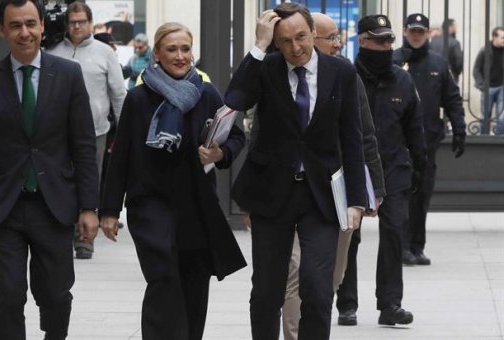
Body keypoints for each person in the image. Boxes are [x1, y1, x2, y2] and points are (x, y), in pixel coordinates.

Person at [0, 0, 99, 339]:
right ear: (1, 30)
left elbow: (84, 146)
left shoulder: (68, 75)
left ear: (43, 26)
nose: (25, 33)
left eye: (31, 24)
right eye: (15, 25)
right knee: (6, 295)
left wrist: (89, 207)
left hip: (54, 206)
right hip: (4, 208)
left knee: (56, 294)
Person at [225, 4, 366, 339]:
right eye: (285, 41)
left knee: (318, 290)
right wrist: (258, 47)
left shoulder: (340, 72)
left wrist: (357, 200)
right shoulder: (266, 67)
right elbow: (235, 98)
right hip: (271, 193)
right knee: (266, 292)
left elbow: (352, 136)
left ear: (313, 33)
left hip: (321, 195)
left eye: (301, 37)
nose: (296, 47)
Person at [100, 22, 247, 340]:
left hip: (197, 207)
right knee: (163, 281)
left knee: (195, 287)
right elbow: (120, 154)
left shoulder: (206, 92)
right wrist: (109, 210)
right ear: (156, 54)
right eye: (172, 49)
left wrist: (219, 154)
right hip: (151, 205)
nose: (180, 56)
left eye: (185, 49)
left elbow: (236, 135)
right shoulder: (139, 98)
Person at [279, 12, 387, 337]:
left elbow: (364, 134)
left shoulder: (345, 75)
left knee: (330, 276)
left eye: (339, 37)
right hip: (291, 192)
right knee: (296, 272)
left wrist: (374, 189)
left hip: (336, 190)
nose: (338, 43)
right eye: (332, 37)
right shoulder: (276, 75)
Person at [355, 14, 427, 326]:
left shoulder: (403, 79)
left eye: (389, 41)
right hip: (355, 168)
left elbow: (415, 129)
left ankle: (390, 304)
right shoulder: (346, 76)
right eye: (378, 40)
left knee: (394, 232)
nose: (385, 46)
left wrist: (419, 168)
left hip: (394, 167)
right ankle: (346, 304)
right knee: (349, 236)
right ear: (362, 41)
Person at [48, 1, 127, 259]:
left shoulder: (105, 53)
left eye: (81, 21)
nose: (77, 26)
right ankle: (61, 232)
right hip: (57, 133)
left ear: (90, 23)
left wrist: (125, 129)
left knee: (89, 183)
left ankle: (84, 239)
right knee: (60, 182)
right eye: (72, 22)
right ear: (66, 24)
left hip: (96, 131)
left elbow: (118, 94)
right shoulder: (52, 52)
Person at [394, 13, 467, 266]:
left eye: (420, 31)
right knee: (401, 196)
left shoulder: (437, 63)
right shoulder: (393, 61)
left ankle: (417, 246)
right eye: (412, 31)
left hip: (426, 143)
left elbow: (452, 99)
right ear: (405, 31)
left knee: (422, 196)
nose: (416, 35)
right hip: (397, 143)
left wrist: (459, 130)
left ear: (427, 33)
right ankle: (402, 246)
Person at [473, 26, 504, 135]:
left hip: (502, 87)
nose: (503, 40)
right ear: (494, 37)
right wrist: (482, 85)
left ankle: (500, 140)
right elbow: (476, 69)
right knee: (485, 116)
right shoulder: (485, 50)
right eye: (502, 37)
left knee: (502, 116)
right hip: (488, 87)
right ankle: (483, 139)